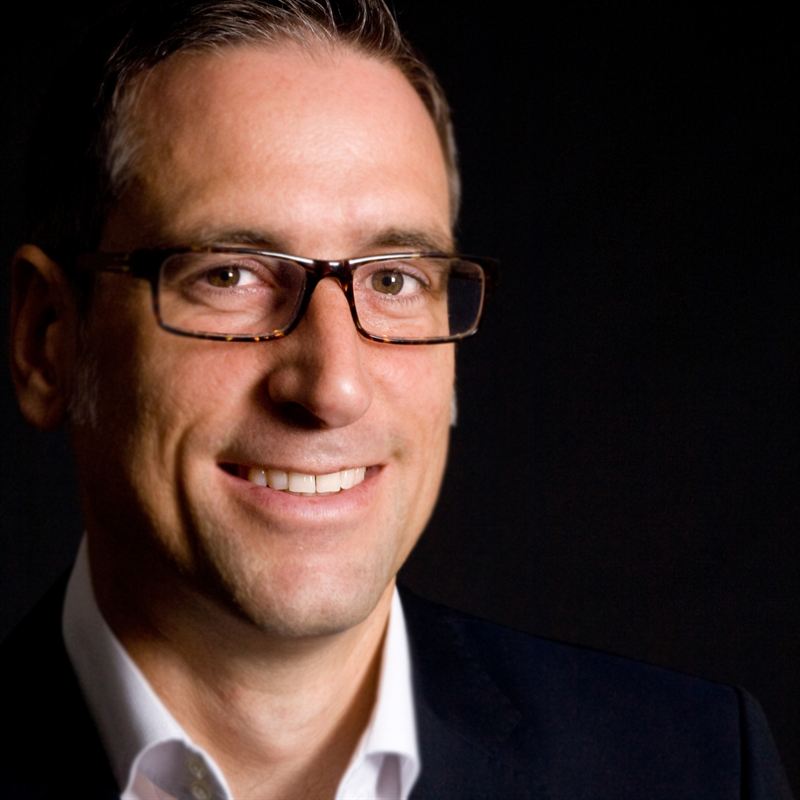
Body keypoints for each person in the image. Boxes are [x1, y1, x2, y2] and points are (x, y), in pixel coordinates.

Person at [2, 1, 794, 798]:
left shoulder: (696, 769)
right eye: (229, 274)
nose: (333, 386)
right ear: (48, 342)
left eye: (393, 279)